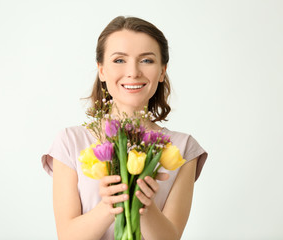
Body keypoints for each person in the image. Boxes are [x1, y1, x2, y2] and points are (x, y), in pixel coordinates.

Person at [41, 16, 208, 240]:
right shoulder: (71, 142)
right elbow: (67, 236)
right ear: (101, 69)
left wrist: (144, 206)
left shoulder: (182, 148)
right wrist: (108, 206)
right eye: (119, 60)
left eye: (147, 61)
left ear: (162, 71)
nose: (133, 72)